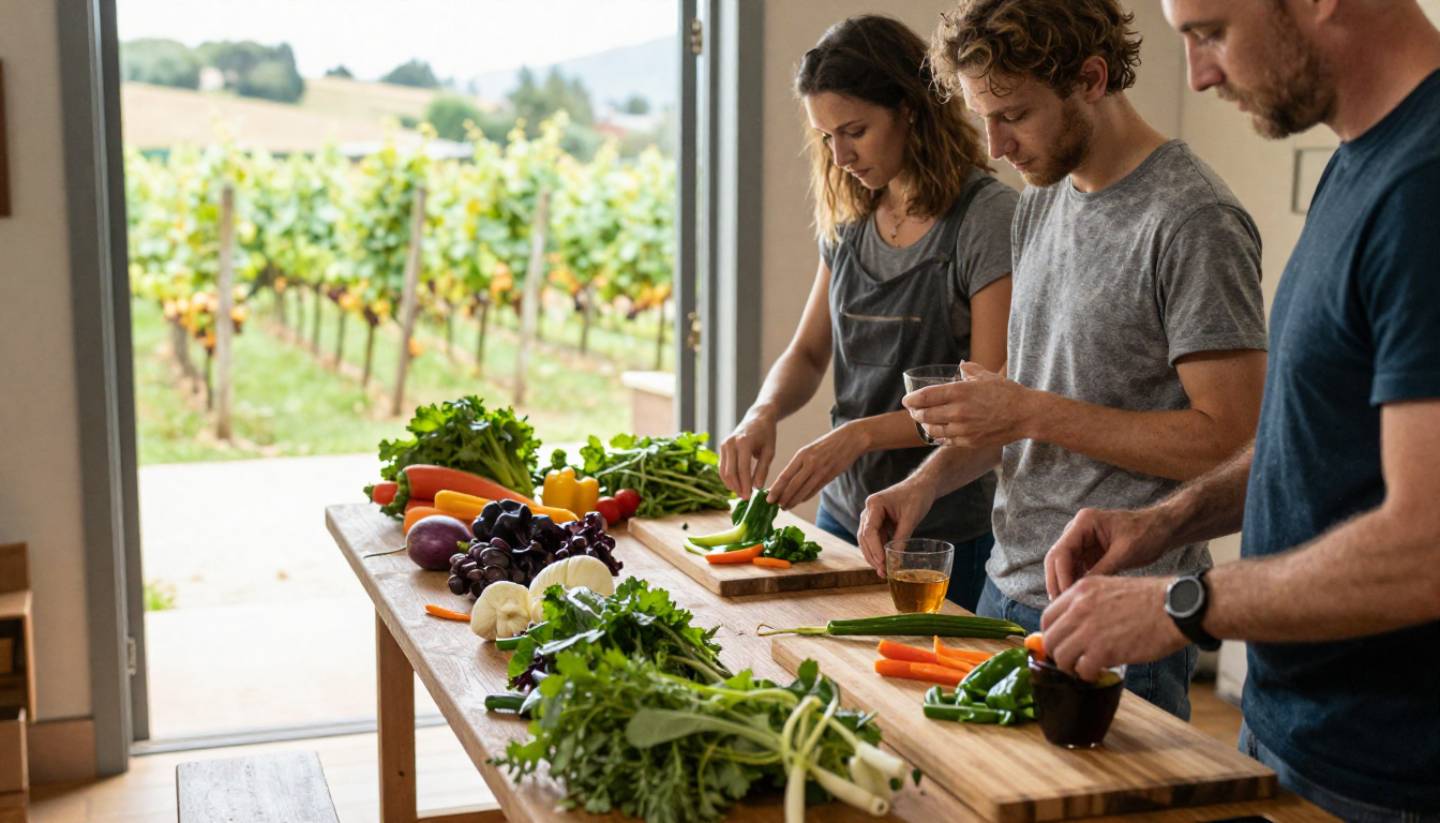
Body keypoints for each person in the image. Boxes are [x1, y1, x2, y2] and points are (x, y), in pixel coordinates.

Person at [1039, 1, 1440, 818]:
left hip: (1390, 778)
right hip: (1292, 734)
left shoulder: (1425, 190)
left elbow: (1426, 546)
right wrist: (1165, 522)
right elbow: (1321, 434)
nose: (1200, 74)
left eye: (1211, 30)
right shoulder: (1365, 160)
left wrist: (1180, 605)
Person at [858, 0, 1268, 720]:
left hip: (1120, 616)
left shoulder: (1192, 220)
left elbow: (1233, 440)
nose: (995, 145)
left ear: (1091, 78)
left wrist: (1027, 409)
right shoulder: (1040, 203)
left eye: (1013, 114)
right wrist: (923, 484)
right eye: (984, 116)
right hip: (1004, 587)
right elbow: (1021, 409)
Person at [716, 14, 1018, 612]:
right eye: (826, 136)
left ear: (910, 109)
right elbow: (807, 353)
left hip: (941, 535)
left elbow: (988, 404)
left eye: (855, 130)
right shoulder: (853, 218)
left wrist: (856, 437)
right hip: (844, 516)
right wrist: (762, 412)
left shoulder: (985, 219)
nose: (840, 154)